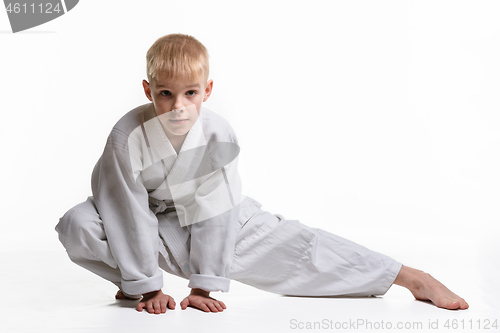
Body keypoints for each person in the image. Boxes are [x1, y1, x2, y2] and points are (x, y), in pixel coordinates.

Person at [55, 33, 469, 315]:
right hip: (144, 219)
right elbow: (125, 211)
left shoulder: (216, 132)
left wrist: (203, 286)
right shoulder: (127, 135)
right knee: (78, 225)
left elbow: (214, 212)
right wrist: (147, 284)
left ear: (207, 89)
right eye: (165, 94)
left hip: (209, 217)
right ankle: (134, 285)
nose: (178, 105)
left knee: (295, 248)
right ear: (148, 91)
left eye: (190, 93)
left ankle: (409, 276)